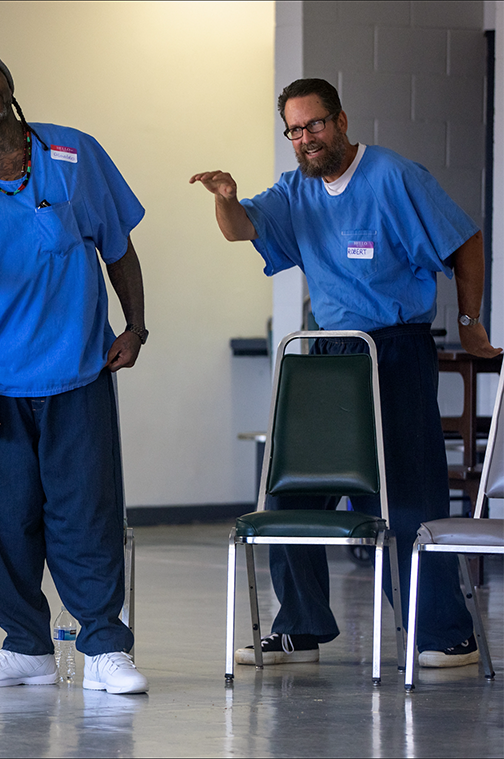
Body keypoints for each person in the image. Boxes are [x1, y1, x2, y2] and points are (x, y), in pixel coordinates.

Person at [190, 78, 500, 668]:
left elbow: (466, 241)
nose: (306, 138)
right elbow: (240, 228)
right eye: (295, 130)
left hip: (396, 347)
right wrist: (224, 196)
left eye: (316, 124)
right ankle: (302, 626)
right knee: (290, 494)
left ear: (341, 121)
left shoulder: (392, 176)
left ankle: (441, 634)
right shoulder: (294, 191)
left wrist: (469, 323)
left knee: (407, 495)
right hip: (331, 358)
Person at [0, 42, 149, 695]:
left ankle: (103, 647)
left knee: (87, 513)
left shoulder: (75, 154)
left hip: (78, 373)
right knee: (6, 519)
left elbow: (118, 246)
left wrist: (135, 325)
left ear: (9, 84)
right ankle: (26, 646)